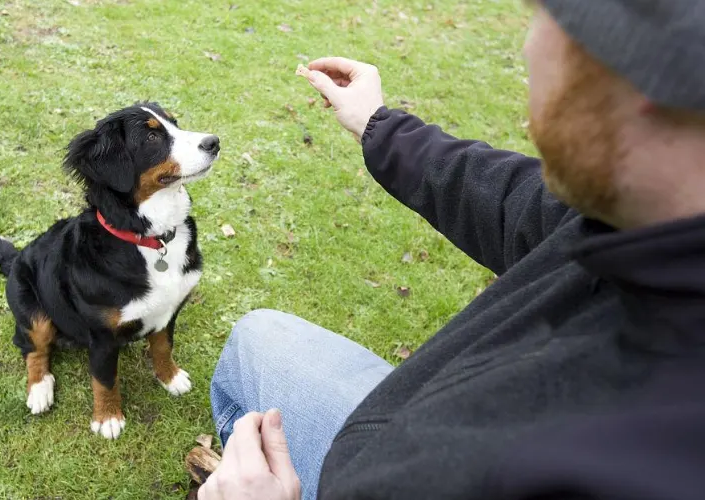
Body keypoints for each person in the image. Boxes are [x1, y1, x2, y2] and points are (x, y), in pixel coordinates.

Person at [198, 0, 705, 499]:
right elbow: (520, 205)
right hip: (402, 436)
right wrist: (377, 124)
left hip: (392, 468)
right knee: (257, 339)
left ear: (640, 72)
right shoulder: (650, 224)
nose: (528, 48)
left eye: (549, 22)